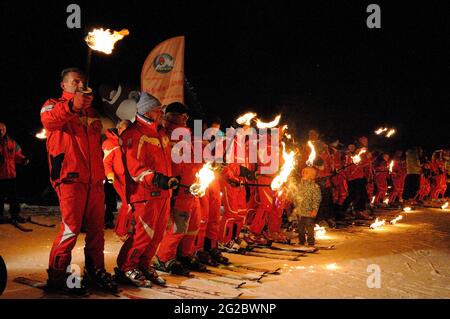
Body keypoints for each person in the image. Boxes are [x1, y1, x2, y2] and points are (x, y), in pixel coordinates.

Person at [40, 67, 117, 295]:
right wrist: (73, 105)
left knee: (97, 230)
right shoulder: (53, 105)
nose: (79, 85)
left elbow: (103, 137)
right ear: (64, 85)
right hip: (70, 177)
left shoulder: (92, 112)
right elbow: (50, 121)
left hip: (94, 181)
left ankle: (96, 270)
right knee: (71, 229)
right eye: (75, 82)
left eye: (82, 82)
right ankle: (57, 276)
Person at [115, 92, 179, 287]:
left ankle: (144, 265)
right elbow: (136, 169)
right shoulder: (134, 134)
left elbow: (167, 162)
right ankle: (127, 267)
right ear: (148, 112)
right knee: (144, 234)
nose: (162, 113)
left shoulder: (160, 133)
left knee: (157, 235)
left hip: (163, 194)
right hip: (145, 194)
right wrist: (158, 179)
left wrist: (172, 180)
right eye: (158, 110)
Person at [155, 102, 207, 275]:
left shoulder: (186, 135)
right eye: (181, 115)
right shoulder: (165, 134)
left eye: (186, 115)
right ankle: (165, 258)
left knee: (193, 224)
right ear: (170, 115)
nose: (185, 118)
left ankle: (184, 254)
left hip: (191, 187)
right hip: (179, 188)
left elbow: (194, 160)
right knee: (178, 225)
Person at [102, 120, 131, 231]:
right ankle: (121, 229)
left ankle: (124, 227)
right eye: (125, 129)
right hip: (118, 178)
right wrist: (110, 175)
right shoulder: (110, 143)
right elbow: (106, 162)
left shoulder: (131, 140)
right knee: (128, 202)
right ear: (119, 129)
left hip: (130, 177)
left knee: (129, 202)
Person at [0, 122, 28, 223]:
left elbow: (17, 155)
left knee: (14, 197)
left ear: (5, 130)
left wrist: (23, 160)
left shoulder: (11, 142)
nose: (1, 131)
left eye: (2, 129)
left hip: (10, 175)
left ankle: (15, 215)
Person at [292, 167, 321, 247]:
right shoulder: (299, 185)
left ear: (312, 176)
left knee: (309, 227)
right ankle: (301, 241)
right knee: (300, 228)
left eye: (306, 173)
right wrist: (295, 207)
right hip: (300, 211)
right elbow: (296, 196)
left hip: (309, 211)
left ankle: (311, 242)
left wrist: (315, 209)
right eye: (303, 172)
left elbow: (316, 199)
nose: (303, 174)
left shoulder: (314, 187)